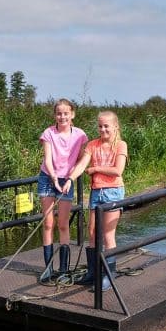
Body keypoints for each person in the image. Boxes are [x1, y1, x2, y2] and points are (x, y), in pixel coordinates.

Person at [68, 110, 128, 291]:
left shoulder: (121, 145)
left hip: (113, 192)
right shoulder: (93, 145)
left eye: (106, 126)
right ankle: (93, 273)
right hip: (96, 193)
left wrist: (95, 170)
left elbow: (118, 170)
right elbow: (81, 165)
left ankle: (108, 275)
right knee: (93, 233)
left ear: (115, 126)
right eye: (100, 126)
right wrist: (70, 179)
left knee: (108, 235)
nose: (102, 129)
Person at [37, 99, 89, 283]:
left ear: (72, 114)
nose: (62, 116)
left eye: (66, 113)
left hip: (66, 181)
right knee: (48, 224)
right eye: (59, 113)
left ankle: (64, 270)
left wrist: (70, 179)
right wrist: (53, 178)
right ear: (55, 115)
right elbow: (48, 159)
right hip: (47, 178)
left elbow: (83, 160)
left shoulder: (80, 135)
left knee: (63, 225)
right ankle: (48, 269)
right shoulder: (49, 133)